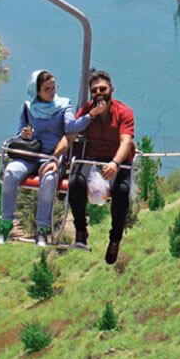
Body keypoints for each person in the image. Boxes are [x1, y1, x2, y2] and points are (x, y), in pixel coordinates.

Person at [0, 70, 82, 247]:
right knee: (10, 173)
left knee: (49, 178)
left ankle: (42, 229)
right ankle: (6, 223)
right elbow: (19, 134)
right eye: (47, 89)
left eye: (54, 87)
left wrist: (91, 116)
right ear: (37, 91)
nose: (52, 92)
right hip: (31, 154)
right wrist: (24, 134)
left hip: (52, 157)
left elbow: (71, 128)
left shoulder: (63, 106)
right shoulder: (29, 108)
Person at [67, 69, 136, 264]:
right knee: (75, 182)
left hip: (117, 159)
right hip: (93, 157)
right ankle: (81, 229)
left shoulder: (124, 112)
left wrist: (115, 162)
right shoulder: (88, 111)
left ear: (111, 89)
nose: (99, 93)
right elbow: (73, 132)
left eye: (102, 89)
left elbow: (126, 141)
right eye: (95, 90)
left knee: (121, 191)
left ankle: (115, 239)